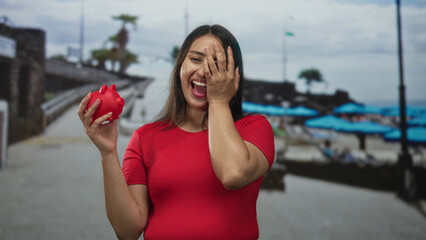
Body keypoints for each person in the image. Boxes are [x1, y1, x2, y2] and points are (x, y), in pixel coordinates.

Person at [78, 24, 275, 239]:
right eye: (196, 59)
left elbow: (233, 173)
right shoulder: (144, 138)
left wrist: (218, 100)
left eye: (216, 64)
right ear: (180, 65)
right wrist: (108, 153)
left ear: (233, 76)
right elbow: (127, 231)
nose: (203, 71)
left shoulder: (255, 128)